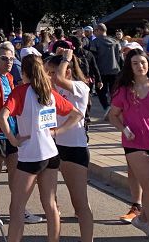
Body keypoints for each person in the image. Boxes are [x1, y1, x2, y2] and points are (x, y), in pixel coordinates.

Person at [0, 53, 82, 242]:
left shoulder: (20, 92)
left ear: (24, 72)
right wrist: (56, 132)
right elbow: (76, 114)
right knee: (50, 204)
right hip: (51, 153)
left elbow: (1, 116)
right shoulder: (49, 92)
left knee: (17, 207)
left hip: (31, 155)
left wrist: (12, 139)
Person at [107, 47, 149, 242]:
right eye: (135, 63)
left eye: (143, 62)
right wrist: (124, 129)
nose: (140, 66)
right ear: (129, 66)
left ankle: (143, 218)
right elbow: (113, 115)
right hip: (134, 145)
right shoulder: (123, 90)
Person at [0, 42, 42, 226]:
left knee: (16, 173)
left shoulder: (9, 77)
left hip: (12, 133)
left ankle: (19, 208)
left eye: (11, 58)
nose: (9, 62)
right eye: (4, 58)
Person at [45, 48, 94, 242]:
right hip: (53, 146)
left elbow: (59, 79)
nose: (49, 76)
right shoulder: (52, 91)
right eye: (47, 72)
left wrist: (66, 59)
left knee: (79, 203)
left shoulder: (80, 87)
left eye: (52, 72)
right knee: (51, 201)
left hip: (74, 148)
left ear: (66, 70)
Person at [91, 23, 122, 110]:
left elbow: (94, 59)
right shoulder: (115, 41)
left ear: (99, 30)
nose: (94, 33)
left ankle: (106, 107)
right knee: (114, 92)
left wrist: (93, 72)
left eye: (95, 31)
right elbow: (119, 58)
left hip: (101, 71)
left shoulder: (95, 42)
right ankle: (114, 108)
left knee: (101, 92)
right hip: (115, 70)